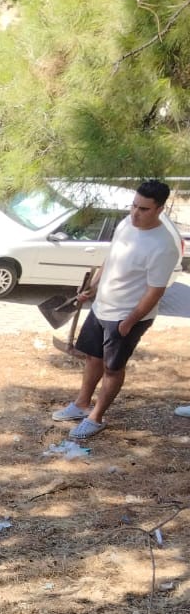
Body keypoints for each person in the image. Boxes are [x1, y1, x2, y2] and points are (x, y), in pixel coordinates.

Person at [52, 180, 181, 441]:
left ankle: (95, 417)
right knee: (92, 358)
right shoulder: (125, 224)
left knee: (113, 368)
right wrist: (94, 288)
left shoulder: (163, 245)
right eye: (133, 206)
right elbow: (110, 259)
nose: (135, 213)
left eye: (143, 209)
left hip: (126, 316)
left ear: (159, 209)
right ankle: (81, 403)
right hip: (102, 308)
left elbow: (155, 291)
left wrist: (129, 321)